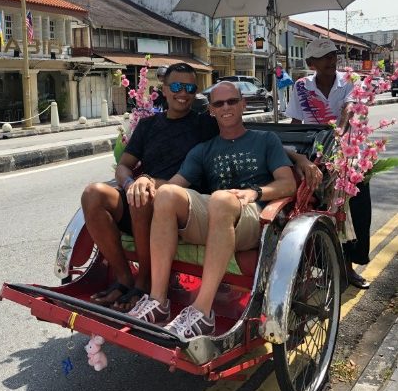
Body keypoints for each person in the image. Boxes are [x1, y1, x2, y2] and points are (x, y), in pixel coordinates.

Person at [128, 81, 297, 338]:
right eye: (219, 103)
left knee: (220, 199)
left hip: (254, 218)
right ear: (212, 111)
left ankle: (202, 312)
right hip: (216, 216)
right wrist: (146, 180)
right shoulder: (204, 149)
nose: (226, 107)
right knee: (166, 194)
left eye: (232, 101)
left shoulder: (265, 140)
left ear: (243, 104)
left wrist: (256, 192)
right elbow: (174, 186)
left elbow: (288, 183)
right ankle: (158, 300)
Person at [81, 62, 216, 311]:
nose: (183, 93)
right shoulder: (148, 125)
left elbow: (241, 136)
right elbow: (124, 165)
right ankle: (124, 278)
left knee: (144, 196)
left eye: (189, 87)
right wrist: (131, 182)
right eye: (176, 86)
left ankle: (144, 281)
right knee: (93, 194)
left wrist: (299, 158)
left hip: (178, 202)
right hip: (142, 194)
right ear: (164, 90)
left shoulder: (205, 125)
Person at [286, 38, 371, 289]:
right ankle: (325, 267)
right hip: (316, 156)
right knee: (315, 209)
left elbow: (348, 109)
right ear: (311, 63)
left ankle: (350, 268)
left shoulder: (350, 81)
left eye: (333, 55)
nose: (331, 61)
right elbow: (296, 123)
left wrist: (339, 132)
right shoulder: (301, 86)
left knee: (354, 210)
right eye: (324, 57)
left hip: (348, 155)